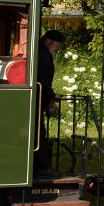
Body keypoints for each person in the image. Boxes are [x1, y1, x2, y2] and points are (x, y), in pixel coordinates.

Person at [35, 29, 65, 177]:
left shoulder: (41, 53)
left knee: (39, 132)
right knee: (39, 133)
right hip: (37, 99)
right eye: (58, 45)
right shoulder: (43, 56)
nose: (58, 49)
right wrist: (52, 96)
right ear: (50, 42)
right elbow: (42, 80)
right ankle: (42, 167)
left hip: (40, 97)